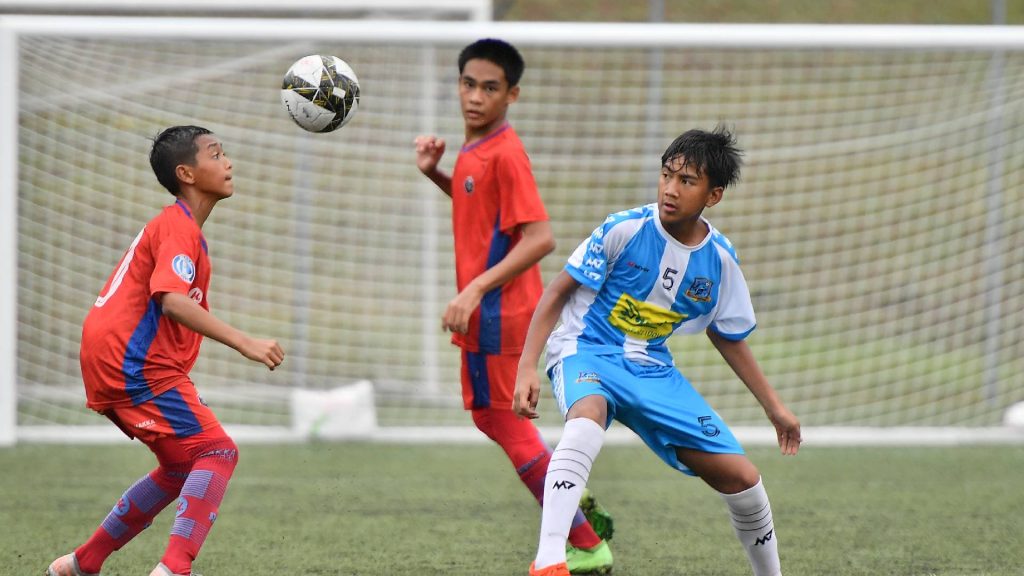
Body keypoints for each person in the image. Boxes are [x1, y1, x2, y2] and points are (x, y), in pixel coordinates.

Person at [513, 126, 802, 576]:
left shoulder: (720, 259)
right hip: (586, 350)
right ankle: (549, 561)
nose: (670, 189)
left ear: (714, 195)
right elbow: (557, 292)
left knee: (743, 479)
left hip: (651, 369)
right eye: (666, 175)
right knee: (587, 418)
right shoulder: (624, 228)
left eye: (687, 181)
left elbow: (727, 335)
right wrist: (527, 367)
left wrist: (775, 408)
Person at [47, 125, 285, 576]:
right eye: (216, 154)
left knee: (179, 466)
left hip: (115, 358)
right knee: (218, 452)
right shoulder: (178, 227)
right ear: (186, 174)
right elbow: (172, 300)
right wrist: (244, 341)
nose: (228, 162)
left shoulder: (178, 228)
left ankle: (82, 563)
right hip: (131, 362)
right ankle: (174, 568)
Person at [414, 38, 614, 574]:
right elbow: (484, 211)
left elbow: (540, 237)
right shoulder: (475, 148)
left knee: (500, 418)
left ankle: (584, 539)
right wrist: (436, 174)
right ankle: (567, 492)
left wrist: (474, 289)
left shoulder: (504, 151)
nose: (475, 97)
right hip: (493, 310)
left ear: (512, 95)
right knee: (495, 416)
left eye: (490, 88)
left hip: (500, 312)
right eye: (468, 84)